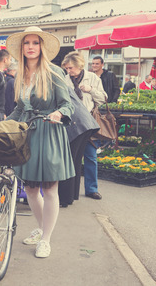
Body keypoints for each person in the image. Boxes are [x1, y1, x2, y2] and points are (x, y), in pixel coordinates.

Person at [5, 26, 75, 258]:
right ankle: (42, 227)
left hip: (50, 132)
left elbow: (68, 104)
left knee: (49, 187)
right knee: (31, 188)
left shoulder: (54, 72)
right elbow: (19, 108)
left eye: (35, 43)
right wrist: (3, 124)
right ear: (22, 48)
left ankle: (45, 240)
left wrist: (59, 113)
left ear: (41, 47)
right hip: (28, 133)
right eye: (27, 43)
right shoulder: (19, 74)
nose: (31, 47)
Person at [62, 51, 106, 202]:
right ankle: (71, 192)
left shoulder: (92, 77)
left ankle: (91, 189)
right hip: (71, 124)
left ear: (79, 66)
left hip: (88, 122)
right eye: (67, 68)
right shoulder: (64, 79)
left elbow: (104, 98)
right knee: (72, 159)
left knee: (91, 157)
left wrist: (90, 90)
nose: (69, 71)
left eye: (71, 68)